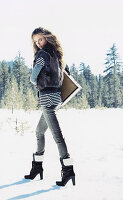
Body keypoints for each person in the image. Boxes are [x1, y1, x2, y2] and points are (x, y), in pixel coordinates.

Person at [24, 27, 75, 186]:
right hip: (56, 99)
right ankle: (37, 167)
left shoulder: (42, 55)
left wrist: (36, 80)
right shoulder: (59, 56)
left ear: (47, 38)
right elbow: (67, 76)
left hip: (47, 99)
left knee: (57, 136)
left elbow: (33, 78)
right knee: (39, 131)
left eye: (40, 39)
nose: (38, 43)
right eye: (36, 41)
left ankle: (68, 170)